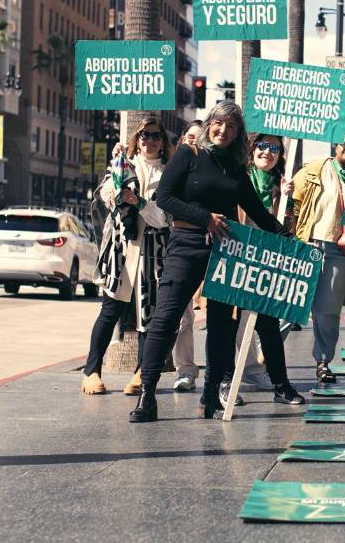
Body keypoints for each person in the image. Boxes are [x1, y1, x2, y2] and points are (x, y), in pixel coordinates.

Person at [128, 102, 285, 423]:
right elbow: (165, 198)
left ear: (239, 134)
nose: (223, 132)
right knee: (166, 317)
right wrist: (205, 217)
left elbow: (257, 211)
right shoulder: (190, 155)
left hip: (223, 250)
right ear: (209, 124)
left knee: (221, 326)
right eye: (218, 124)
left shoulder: (236, 167)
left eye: (231, 127)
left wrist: (290, 238)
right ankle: (147, 394)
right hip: (186, 244)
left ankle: (211, 393)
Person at [82, 116, 173, 395]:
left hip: (153, 254)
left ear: (163, 141)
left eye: (155, 135)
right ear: (137, 139)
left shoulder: (169, 173)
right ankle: (91, 372)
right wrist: (115, 188)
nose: (149, 140)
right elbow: (105, 196)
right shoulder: (123, 165)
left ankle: (141, 373)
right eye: (144, 135)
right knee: (109, 311)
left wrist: (140, 202)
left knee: (149, 316)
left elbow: (165, 217)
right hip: (121, 251)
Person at [286, 127, 345, 383]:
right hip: (309, 245)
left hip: (342, 252)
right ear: (335, 146)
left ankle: (323, 361)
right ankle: (265, 358)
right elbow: (293, 202)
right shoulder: (315, 169)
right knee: (290, 305)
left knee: (327, 311)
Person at [229, 133, 304, 404]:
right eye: (262, 146)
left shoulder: (281, 187)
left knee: (268, 325)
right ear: (251, 149)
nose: (267, 152)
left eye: (274, 148)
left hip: (265, 263)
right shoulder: (237, 176)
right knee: (229, 322)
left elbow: (288, 229)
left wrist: (287, 203)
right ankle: (226, 383)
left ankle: (280, 384)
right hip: (234, 258)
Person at [171, 120, 204, 393]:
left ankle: (189, 371)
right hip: (164, 249)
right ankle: (149, 375)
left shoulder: (207, 169)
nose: (194, 142)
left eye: (199, 138)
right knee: (172, 317)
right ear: (183, 139)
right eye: (190, 137)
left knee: (188, 319)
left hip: (201, 246)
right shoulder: (172, 166)